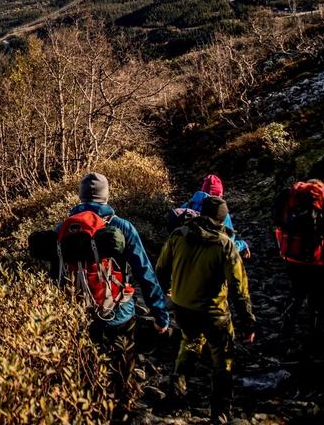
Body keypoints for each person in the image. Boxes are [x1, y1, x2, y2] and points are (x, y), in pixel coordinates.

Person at [60, 172, 170, 421]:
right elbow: (145, 273)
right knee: (121, 380)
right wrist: (160, 314)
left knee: (84, 377)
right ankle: (121, 414)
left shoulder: (65, 227)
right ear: (106, 196)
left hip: (77, 316)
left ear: (80, 195)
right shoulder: (122, 226)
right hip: (119, 314)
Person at [156, 195, 256, 424]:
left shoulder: (178, 235)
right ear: (223, 219)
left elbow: (161, 269)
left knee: (189, 343)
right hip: (214, 311)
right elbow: (239, 288)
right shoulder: (225, 244)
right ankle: (220, 412)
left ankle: (176, 396)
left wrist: (168, 291)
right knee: (223, 358)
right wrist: (247, 321)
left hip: (182, 307)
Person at [273, 178, 324, 335]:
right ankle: (315, 331)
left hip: (292, 258)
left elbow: (280, 228)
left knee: (297, 293)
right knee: (319, 297)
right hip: (317, 262)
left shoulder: (292, 201)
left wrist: (283, 251)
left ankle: (287, 328)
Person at [169, 174, 250, 259]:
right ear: (219, 195)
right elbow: (228, 246)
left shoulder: (187, 207)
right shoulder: (221, 214)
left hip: (180, 256)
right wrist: (243, 244)